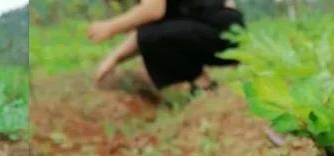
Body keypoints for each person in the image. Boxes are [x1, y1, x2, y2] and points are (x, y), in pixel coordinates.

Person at [88, 0, 245, 93]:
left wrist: (110, 27)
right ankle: (200, 83)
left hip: (221, 33)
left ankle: (202, 85)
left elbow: (153, 11)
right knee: (151, 34)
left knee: (151, 36)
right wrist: (114, 58)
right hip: (225, 31)